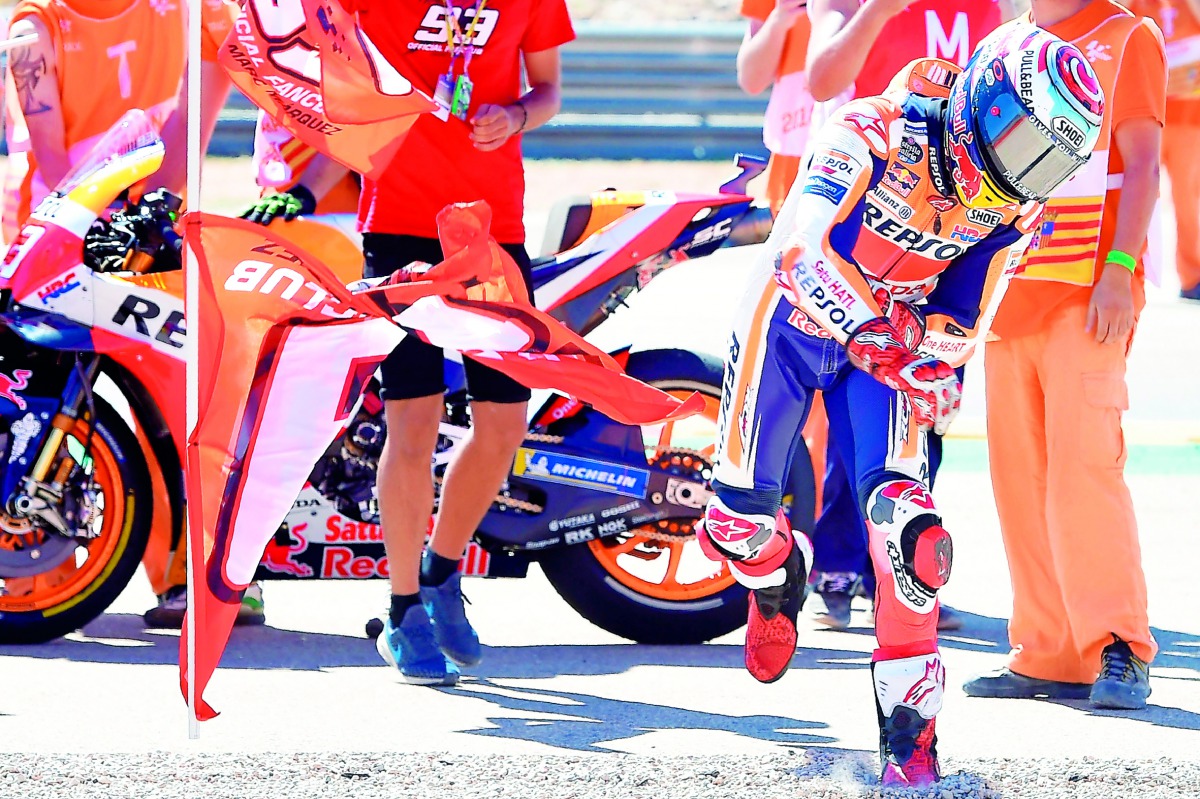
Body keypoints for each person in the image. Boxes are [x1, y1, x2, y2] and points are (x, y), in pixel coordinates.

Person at [698, 26, 1102, 785]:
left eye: (1047, 157)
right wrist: (873, 328)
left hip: (886, 347)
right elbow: (801, 251)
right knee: (735, 526)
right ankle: (780, 574)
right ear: (984, 94)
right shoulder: (875, 127)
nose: (1024, 168)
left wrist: (918, 347)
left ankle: (912, 746)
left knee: (910, 540)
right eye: (1022, 138)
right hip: (788, 319)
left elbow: (965, 327)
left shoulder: (1017, 213)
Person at [326, 0, 573, 686]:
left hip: (495, 229)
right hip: (398, 225)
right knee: (414, 417)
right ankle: (402, 610)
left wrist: (518, 115)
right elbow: (309, 46)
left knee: (502, 424)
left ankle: (439, 570)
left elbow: (549, 88)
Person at [1, 0, 238, 624]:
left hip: (152, 237)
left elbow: (196, 116)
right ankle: (34, 577)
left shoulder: (188, 13)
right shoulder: (33, 29)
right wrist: (105, 225)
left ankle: (196, 575)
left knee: (169, 410)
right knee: (43, 403)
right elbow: (52, 157)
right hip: (55, 239)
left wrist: (149, 214)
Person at [963, 0, 1165, 711]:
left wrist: (1119, 268)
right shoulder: (1000, 46)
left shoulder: (1126, 35)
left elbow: (1143, 164)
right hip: (1006, 295)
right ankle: (1046, 648)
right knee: (1019, 479)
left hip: (1088, 292)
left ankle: (1119, 647)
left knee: (1085, 472)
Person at [791, 0, 1009, 631]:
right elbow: (824, 80)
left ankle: (905, 578)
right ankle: (836, 568)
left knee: (926, 413)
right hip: (862, 237)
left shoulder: (987, 8)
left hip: (950, 234)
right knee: (851, 424)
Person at [1131, 0, 1200, 300]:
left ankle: (1193, 276)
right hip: (1148, 115)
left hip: (1191, 116)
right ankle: (1130, 270)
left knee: (1189, 199)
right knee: (1136, 195)